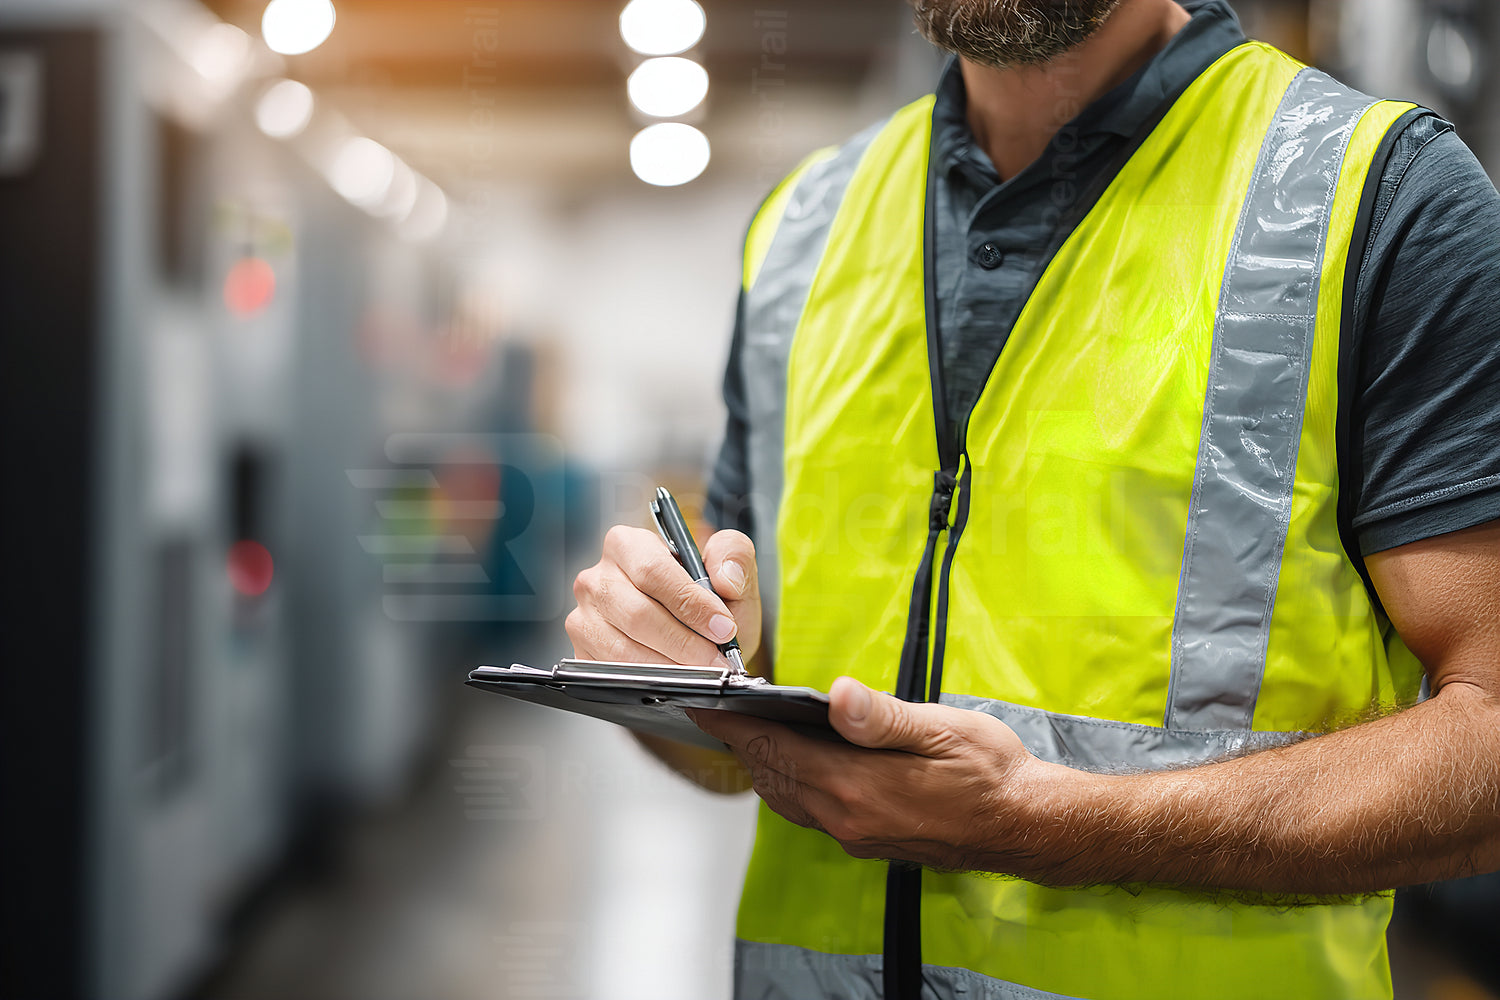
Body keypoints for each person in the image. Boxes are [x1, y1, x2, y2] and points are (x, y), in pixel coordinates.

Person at [566, 0, 1500, 996]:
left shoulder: (1380, 199)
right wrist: (684, 672)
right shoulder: (803, 228)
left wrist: (1044, 822)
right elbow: (737, 748)